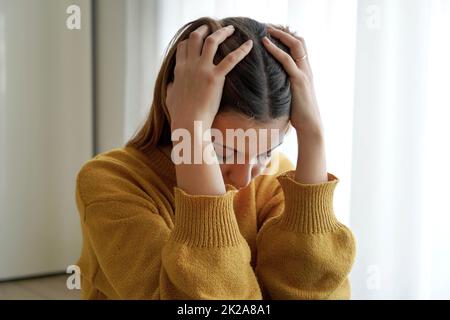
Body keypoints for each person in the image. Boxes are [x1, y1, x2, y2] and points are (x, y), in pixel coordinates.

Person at [75, 16, 356, 299]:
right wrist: (191, 140)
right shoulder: (109, 183)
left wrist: (313, 136)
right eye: (221, 151)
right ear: (176, 111)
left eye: (266, 151)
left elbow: (315, 293)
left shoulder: (277, 176)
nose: (245, 179)